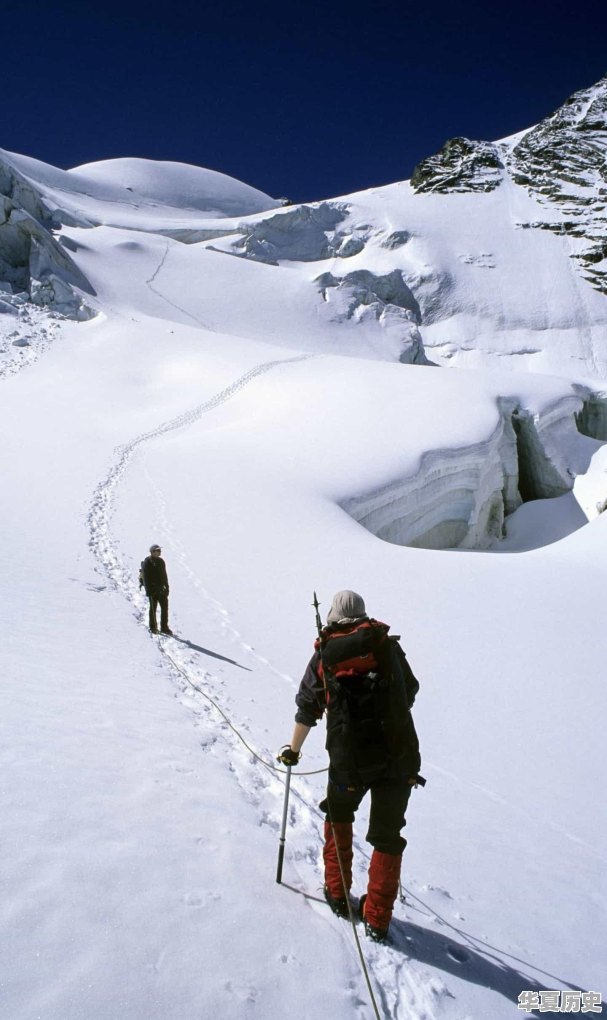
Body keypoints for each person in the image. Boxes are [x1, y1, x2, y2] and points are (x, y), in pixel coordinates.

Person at [279, 590, 422, 943]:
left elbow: (307, 707)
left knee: (339, 816)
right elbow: (412, 691)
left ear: (332, 615)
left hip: (350, 760)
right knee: (387, 836)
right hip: (399, 755)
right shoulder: (387, 646)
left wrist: (293, 750)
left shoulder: (326, 655)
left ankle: (338, 894)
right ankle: (377, 919)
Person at [141, 544, 172, 635]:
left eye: (159, 550)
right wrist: (149, 591)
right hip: (152, 590)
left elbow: (164, 576)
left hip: (161, 589)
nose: (159, 552)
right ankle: (153, 627)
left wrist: (167, 588)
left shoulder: (161, 561)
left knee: (165, 608)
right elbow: (146, 578)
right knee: (153, 609)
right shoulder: (147, 562)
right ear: (152, 552)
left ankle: (164, 627)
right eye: (157, 550)